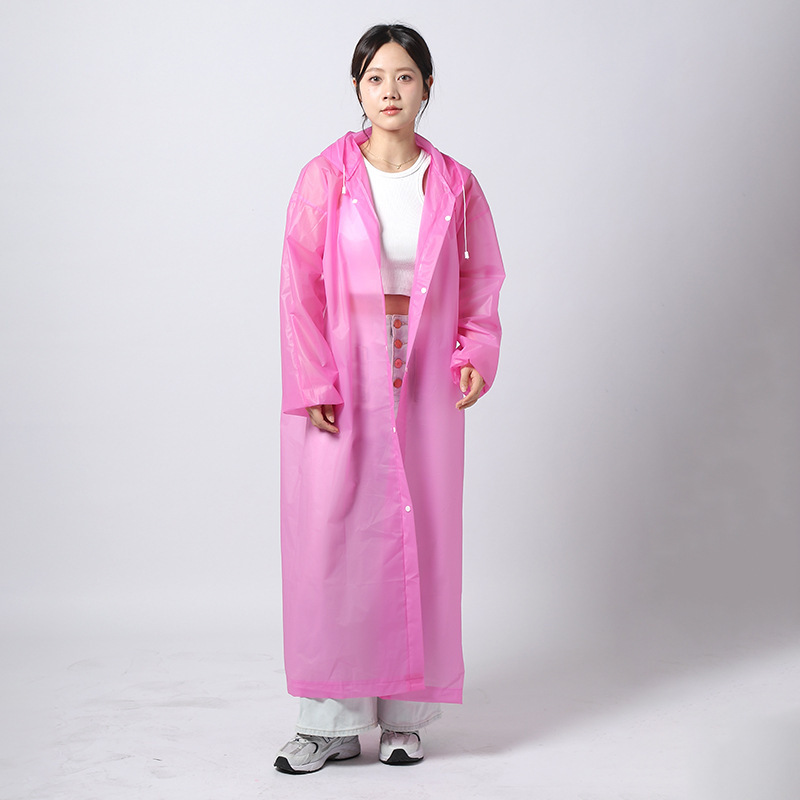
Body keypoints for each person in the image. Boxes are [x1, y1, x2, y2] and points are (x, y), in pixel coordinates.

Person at [275, 23, 505, 774]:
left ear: (427, 88)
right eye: (376, 78)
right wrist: (314, 379)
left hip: (424, 371)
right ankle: (330, 721)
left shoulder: (455, 183)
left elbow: (481, 282)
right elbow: (300, 287)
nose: (390, 92)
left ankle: (405, 716)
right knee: (334, 537)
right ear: (357, 89)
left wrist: (475, 353)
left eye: (405, 77)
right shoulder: (326, 177)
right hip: (345, 372)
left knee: (418, 533)